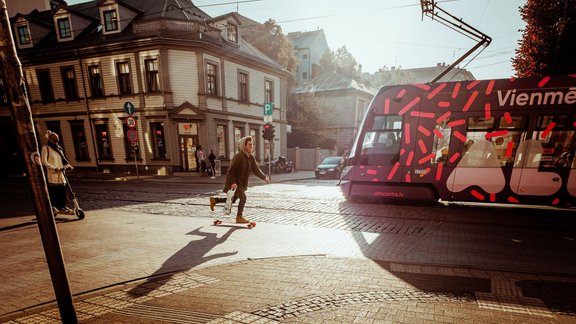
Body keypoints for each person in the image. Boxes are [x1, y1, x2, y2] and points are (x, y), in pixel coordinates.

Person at [209, 136, 270, 223]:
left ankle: (214, 200)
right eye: (249, 144)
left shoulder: (250, 157)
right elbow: (231, 171)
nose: (251, 146)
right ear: (244, 146)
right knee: (243, 198)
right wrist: (233, 182)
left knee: (232, 200)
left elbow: (256, 169)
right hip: (235, 183)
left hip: (242, 184)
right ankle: (239, 217)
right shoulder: (238, 156)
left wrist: (264, 177)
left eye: (252, 144)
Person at [41, 130, 74, 214]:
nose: (56, 142)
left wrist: (68, 166)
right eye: (55, 140)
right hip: (52, 174)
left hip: (61, 173)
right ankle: (54, 207)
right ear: (50, 140)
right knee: (55, 192)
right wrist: (54, 168)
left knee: (63, 191)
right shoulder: (46, 148)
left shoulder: (59, 148)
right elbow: (44, 161)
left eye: (57, 140)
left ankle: (63, 206)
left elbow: (63, 159)